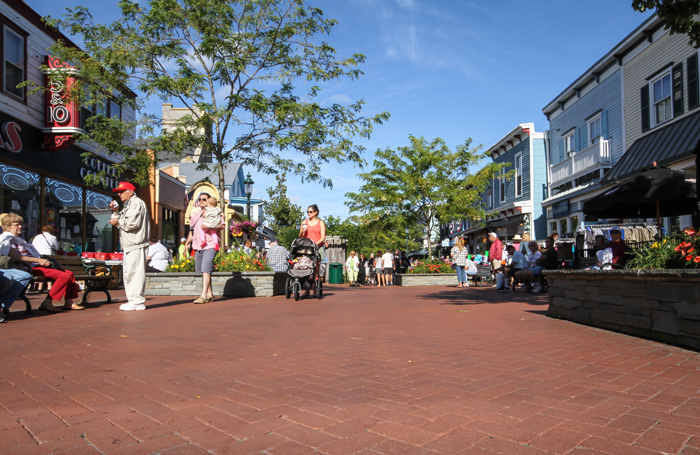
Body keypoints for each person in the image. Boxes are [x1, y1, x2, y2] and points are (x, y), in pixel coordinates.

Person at [0, 213, 80, 312]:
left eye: (20, 224)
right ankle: (47, 302)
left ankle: (69, 302)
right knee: (64, 276)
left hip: (35, 265)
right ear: (7, 227)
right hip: (28, 267)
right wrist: (38, 260)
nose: (20, 226)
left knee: (69, 273)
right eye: (16, 224)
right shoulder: (9, 239)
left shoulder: (19, 239)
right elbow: (16, 257)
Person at [110, 182, 150, 311]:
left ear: (130, 192)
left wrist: (118, 221)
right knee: (129, 273)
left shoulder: (136, 203)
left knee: (134, 273)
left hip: (136, 244)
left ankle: (137, 301)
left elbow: (132, 223)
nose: (119, 194)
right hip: (130, 244)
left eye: (122, 191)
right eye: (118, 192)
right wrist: (115, 212)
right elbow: (123, 222)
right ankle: (134, 300)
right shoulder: (129, 205)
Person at [185, 192, 224, 304]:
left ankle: (203, 296)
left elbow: (222, 225)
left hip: (210, 245)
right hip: (198, 246)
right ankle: (210, 294)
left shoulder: (216, 212)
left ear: (209, 200)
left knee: (205, 269)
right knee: (204, 271)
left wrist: (209, 226)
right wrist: (187, 243)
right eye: (200, 199)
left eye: (204, 199)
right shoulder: (196, 215)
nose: (201, 200)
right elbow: (192, 231)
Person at [299, 204, 326, 297]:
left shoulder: (320, 223)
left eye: (310, 212)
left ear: (316, 212)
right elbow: (300, 237)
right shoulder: (304, 222)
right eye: (307, 212)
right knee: (306, 268)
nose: (308, 213)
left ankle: (315, 289)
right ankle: (307, 290)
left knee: (316, 269)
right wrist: (302, 231)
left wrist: (315, 244)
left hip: (318, 247)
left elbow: (323, 237)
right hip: (307, 248)